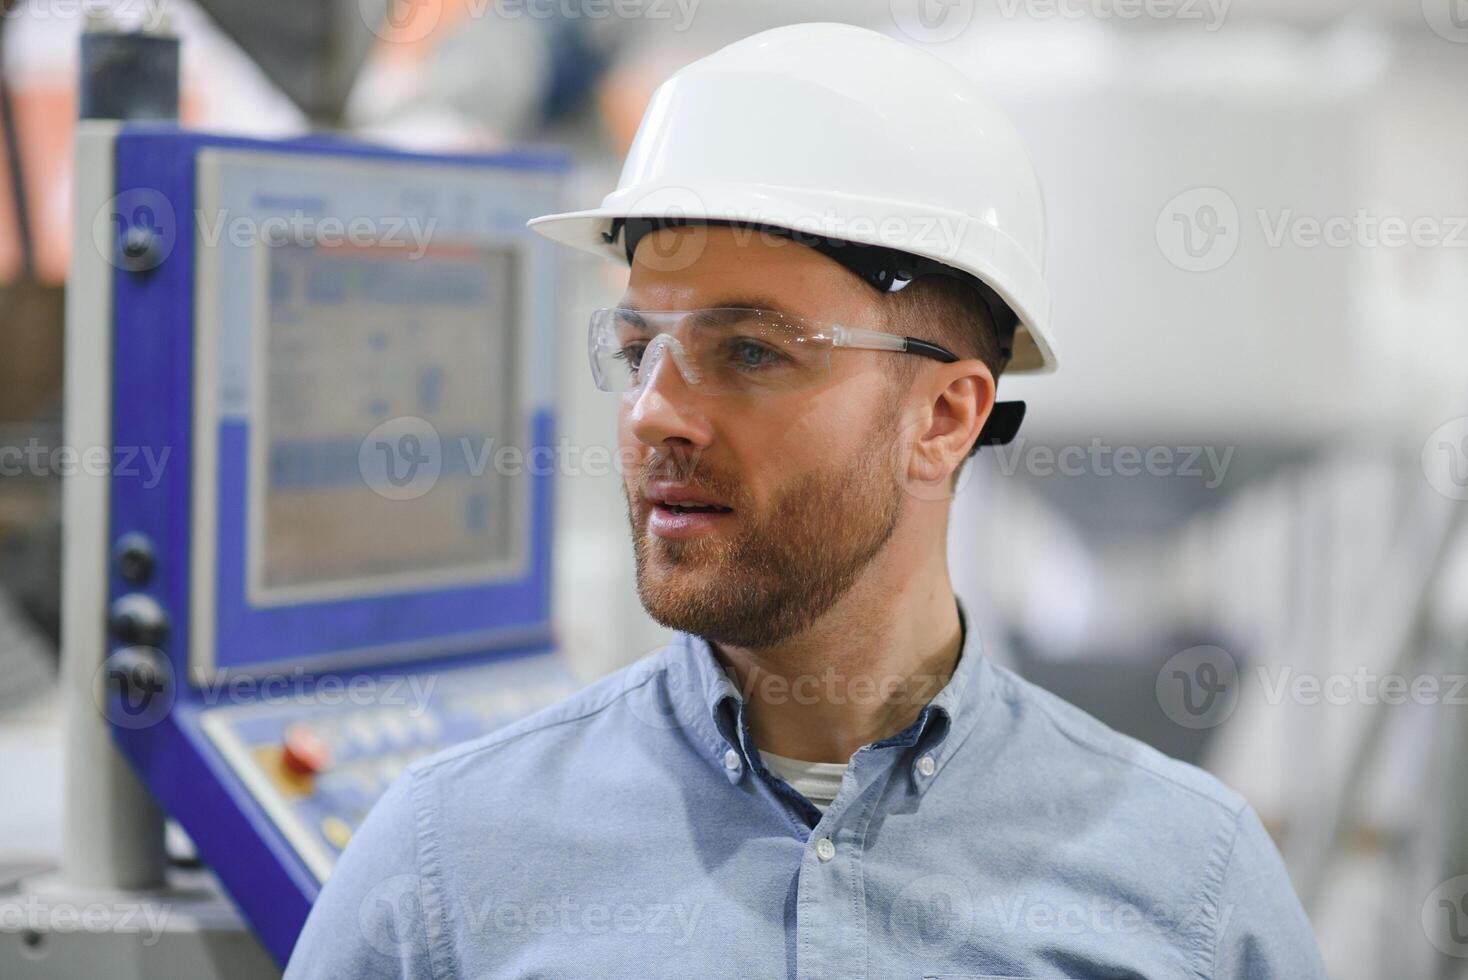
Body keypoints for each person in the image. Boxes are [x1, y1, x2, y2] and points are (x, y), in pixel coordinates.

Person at [286, 22, 1326, 978]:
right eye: (639, 346)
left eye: (748, 350)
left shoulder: (1191, 887)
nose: (654, 414)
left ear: (947, 416)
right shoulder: (445, 864)